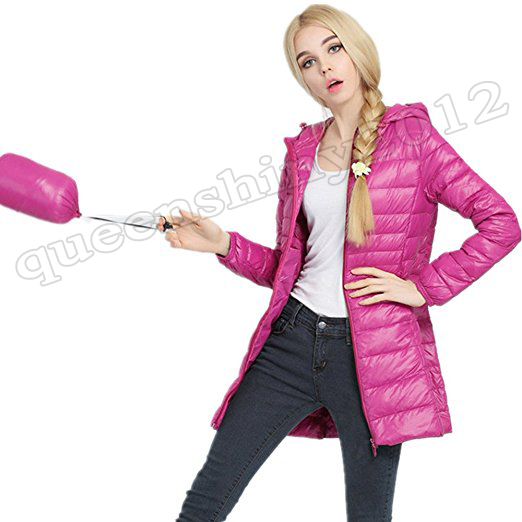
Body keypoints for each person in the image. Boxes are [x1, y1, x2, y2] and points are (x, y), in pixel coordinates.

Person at [158, 5, 521, 521]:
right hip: (290, 340)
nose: (325, 66)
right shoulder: (303, 151)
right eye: (307, 61)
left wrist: (423, 287)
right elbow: (288, 268)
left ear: (357, 51)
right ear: (302, 77)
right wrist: (222, 244)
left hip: (374, 355)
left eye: (333, 48)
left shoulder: (414, 139)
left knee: (368, 515)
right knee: (205, 501)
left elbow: (501, 223)